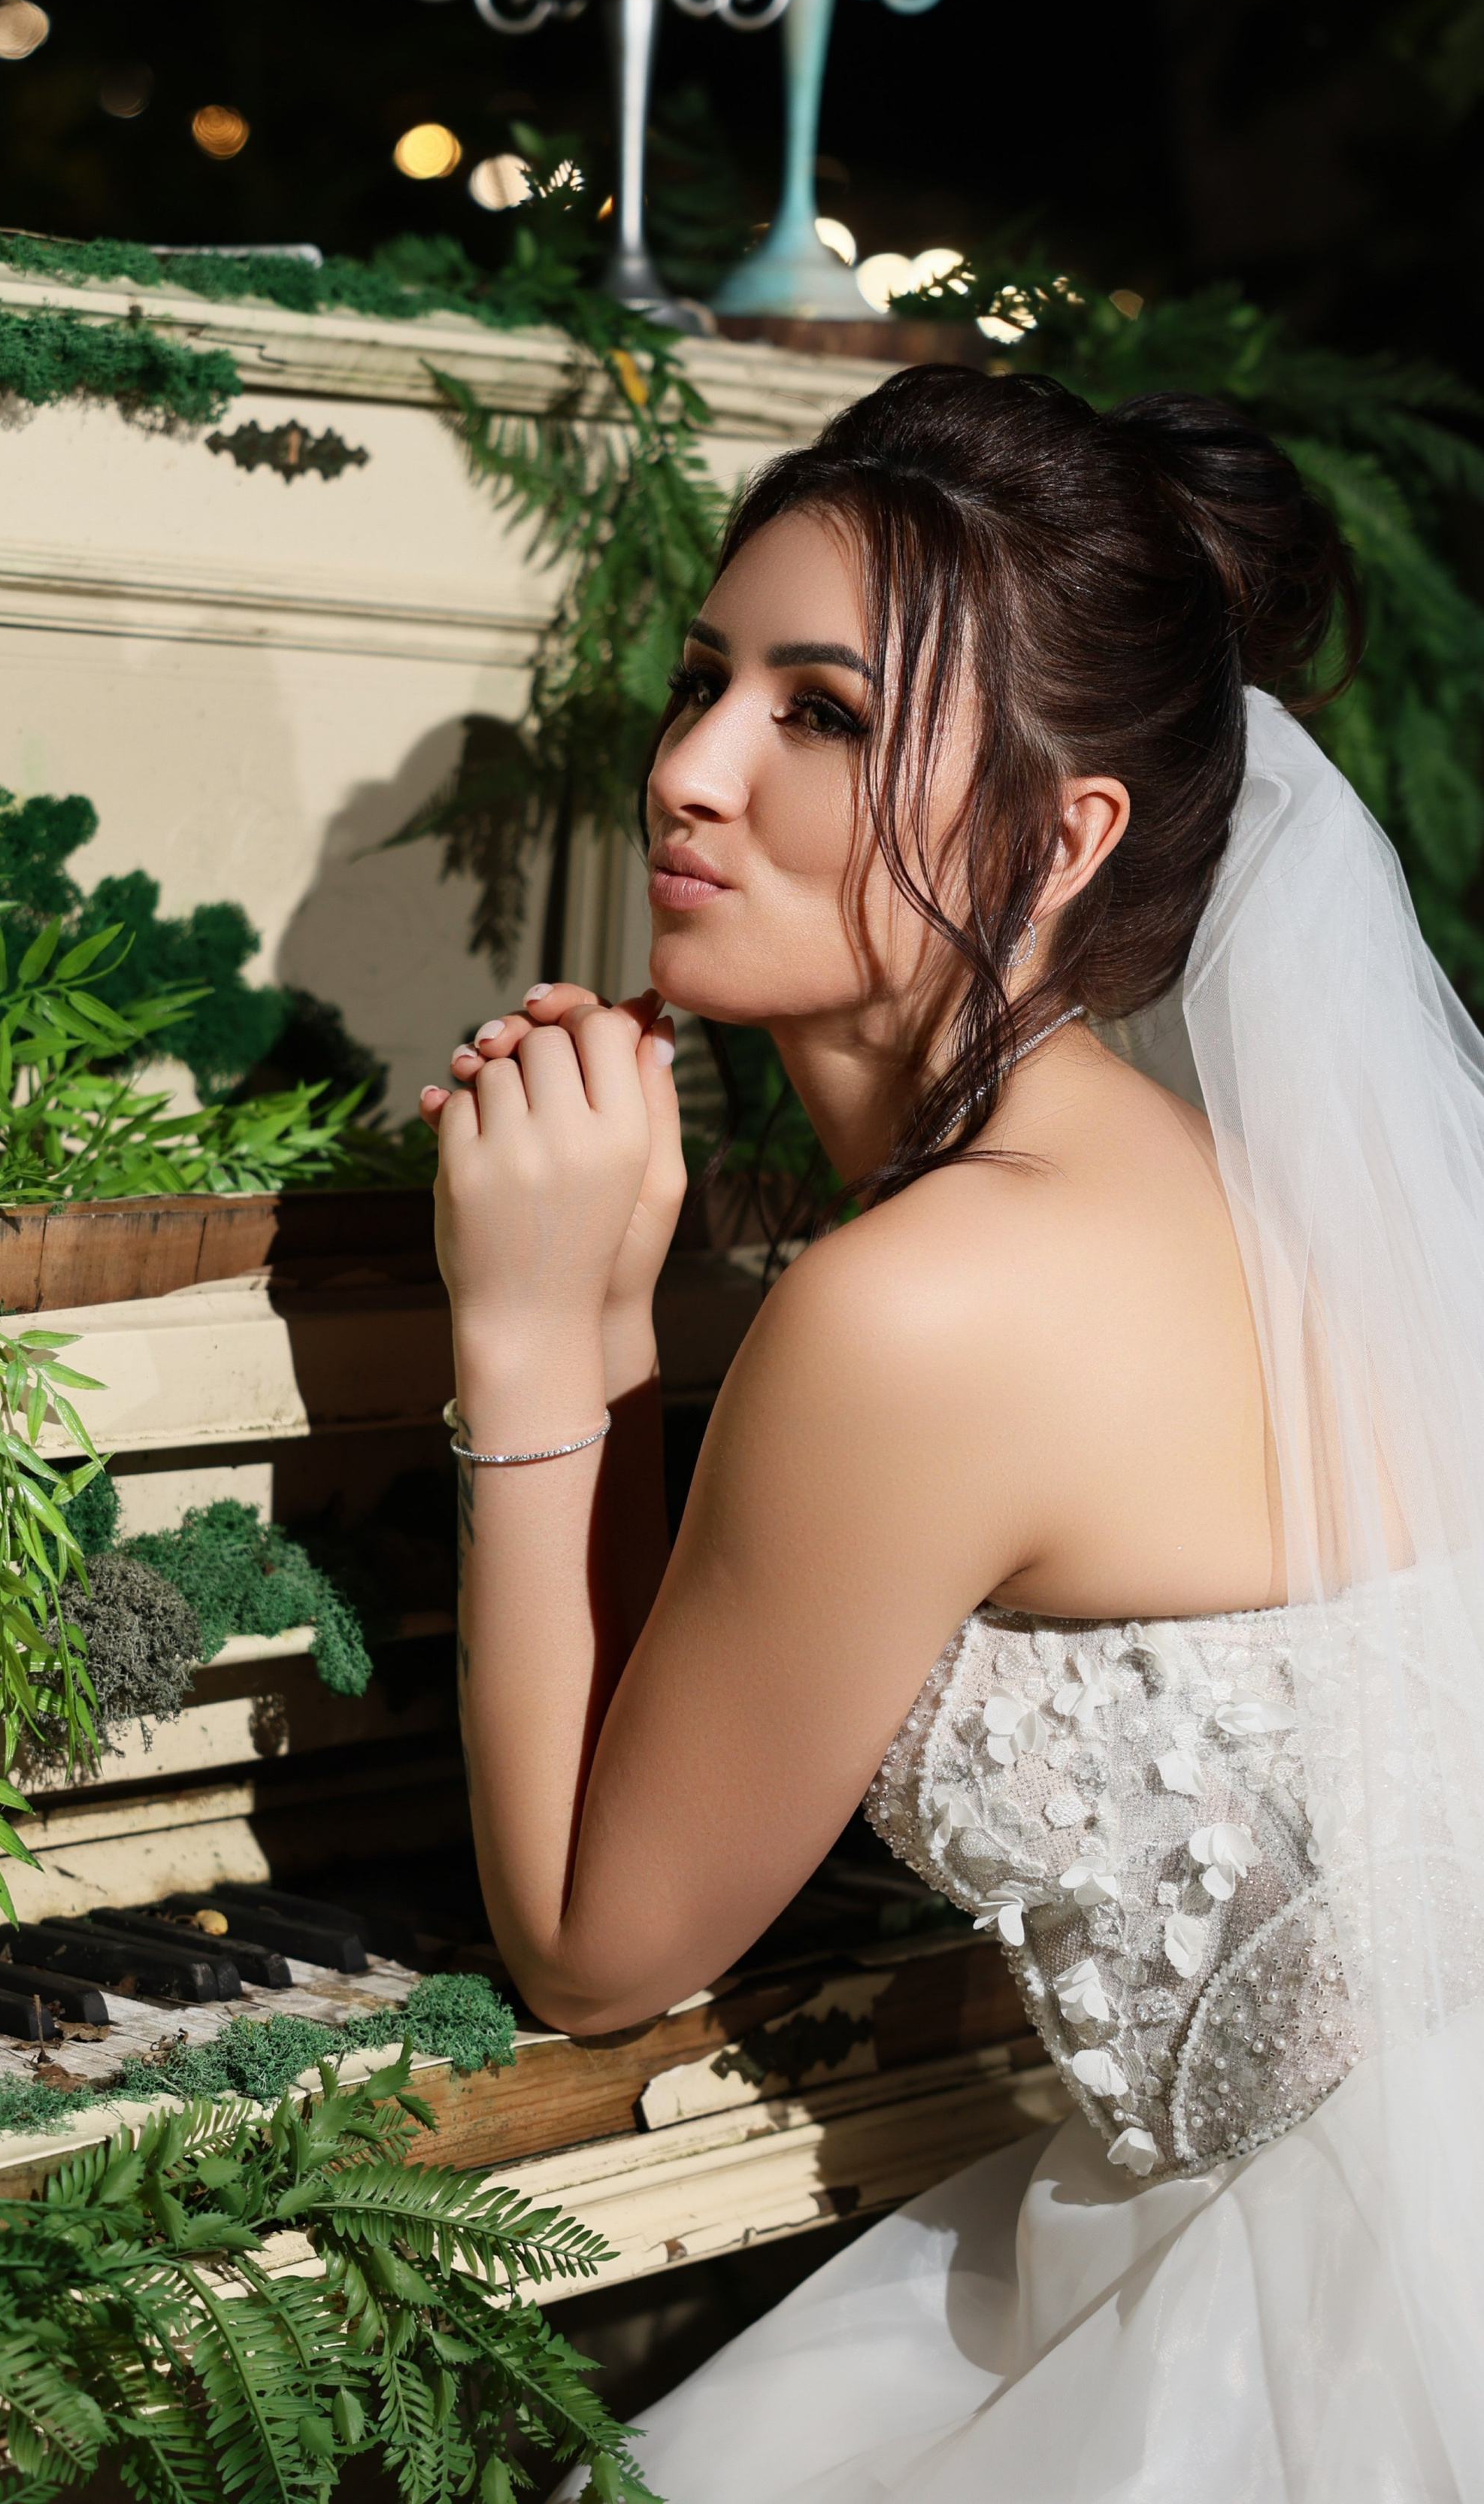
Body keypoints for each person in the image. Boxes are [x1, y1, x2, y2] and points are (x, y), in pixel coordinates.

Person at [416, 366, 1484, 2502]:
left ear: (1064, 833)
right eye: (707, 681)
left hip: (1328, 2324)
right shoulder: (1217, 1174)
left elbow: (597, 1950)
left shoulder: (923, 1304)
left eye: (820, 713)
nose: (692, 774)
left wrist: (546, 1338)